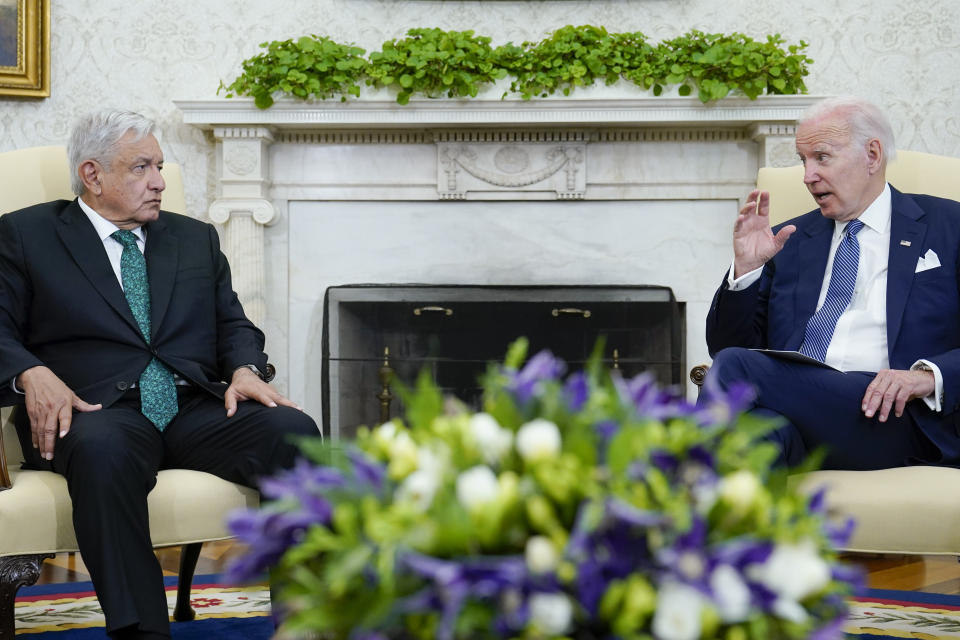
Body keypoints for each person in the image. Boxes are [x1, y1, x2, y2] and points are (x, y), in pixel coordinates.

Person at [0, 110, 319, 639]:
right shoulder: (26, 235)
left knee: (294, 430)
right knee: (104, 451)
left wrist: (244, 368)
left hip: (192, 409)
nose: (159, 182)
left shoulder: (195, 239)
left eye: (160, 166)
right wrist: (31, 371)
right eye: (141, 167)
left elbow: (233, 323)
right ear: (92, 174)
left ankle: (309, 618)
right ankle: (141, 631)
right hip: (94, 412)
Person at [705, 96, 960, 471]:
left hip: (897, 418)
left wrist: (926, 377)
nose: (808, 175)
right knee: (756, 436)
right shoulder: (787, 240)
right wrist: (745, 270)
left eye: (821, 157)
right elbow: (730, 349)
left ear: (872, 155)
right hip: (799, 412)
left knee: (735, 368)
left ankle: (672, 504)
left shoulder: (949, 224)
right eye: (803, 160)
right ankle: (740, 528)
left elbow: (734, 366)